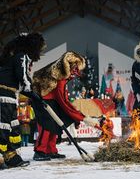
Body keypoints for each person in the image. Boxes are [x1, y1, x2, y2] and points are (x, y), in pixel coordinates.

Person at [32, 51, 100, 161]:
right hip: (42, 100)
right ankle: (40, 151)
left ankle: (51, 150)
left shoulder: (63, 76)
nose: (76, 72)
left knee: (55, 125)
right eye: (75, 68)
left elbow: (64, 100)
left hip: (52, 101)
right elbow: (64, 102)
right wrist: (81, 117)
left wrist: (79, 117)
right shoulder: (60, 78)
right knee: (46, 126)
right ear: (70, 66)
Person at [0, 32, 46, 168]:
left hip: (9, 96)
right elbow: (24, 78)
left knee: (11, 127)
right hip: (4, 96)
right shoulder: (22, 57)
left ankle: (11, 157)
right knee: (3, 127)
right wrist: (34, 95)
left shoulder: (11, 57)